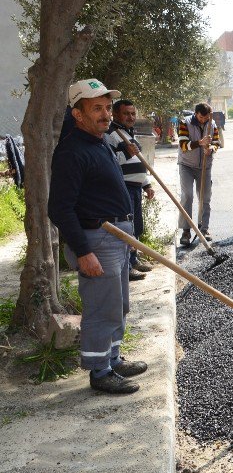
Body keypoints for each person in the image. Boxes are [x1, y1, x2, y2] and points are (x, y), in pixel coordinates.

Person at [48, 79, 148, 394]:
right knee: (101, 308)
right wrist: (82, 251)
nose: (105, 114)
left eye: (107, 108)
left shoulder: (99, 140)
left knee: (118, 305)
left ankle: (113, 358)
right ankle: (99, 371)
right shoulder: (72, 151)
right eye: (97, 108)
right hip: (97, 240)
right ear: (77, 113)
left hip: (118, 235)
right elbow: (59, 209)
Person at [107, 99, 155, 279]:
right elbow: (111, 162)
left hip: (135, 187)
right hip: (123, 188)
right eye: (126, 113)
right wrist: (128, 151)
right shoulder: (111, 134)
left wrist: (146, 184)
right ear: (116, 114)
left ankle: (134, 260)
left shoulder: (129, 134)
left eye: (133, 114)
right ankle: (127, 267)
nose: (130, 117)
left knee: (136, 226)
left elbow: (138, 163)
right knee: (126, 227)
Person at [176, 103, 220, 246]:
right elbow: (183, 145)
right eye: (201, 117)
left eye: (206, 118)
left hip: (205, 166)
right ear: (196, 114)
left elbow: (217, 142)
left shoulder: (212, 123)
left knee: (205, 197)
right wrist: (200, 143)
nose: (203, 120)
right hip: (187, 165)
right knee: (187, 195)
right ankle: (186, 231)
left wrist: (211, 149)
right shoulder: (184, 123)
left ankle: (204, 228)